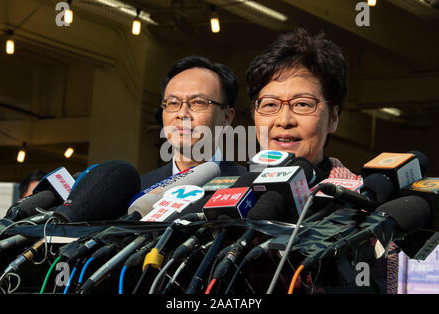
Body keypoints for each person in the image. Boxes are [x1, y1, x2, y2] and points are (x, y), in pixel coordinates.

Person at [245, 28, 397, 294]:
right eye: (270, 105)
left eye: (303, 104)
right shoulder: (230, 192)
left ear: (334, 118)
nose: (284, 120)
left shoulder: (363, 204)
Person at [140, 55, 247, 190]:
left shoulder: (246, 186)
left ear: (226, 117)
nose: (182, 114)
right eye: (173, 103)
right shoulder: (141, 189)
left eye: (198, 102)